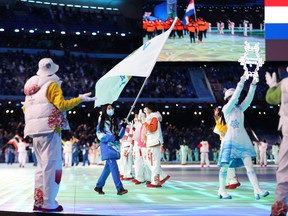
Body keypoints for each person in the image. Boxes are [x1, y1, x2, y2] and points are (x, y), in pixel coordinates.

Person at [22, 58, 95, 212]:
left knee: (41, 168)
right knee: (52, 167)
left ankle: (38, 201)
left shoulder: (30, 87)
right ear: (53, 70)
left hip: (34, 131)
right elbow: (62, 105)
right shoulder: (52, 85)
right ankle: (49, 203)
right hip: (50, 130)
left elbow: (25, 109)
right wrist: (80, 99)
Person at [217, 72, 269, 200]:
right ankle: (221, 189)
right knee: (225, 166)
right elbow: (235, 98)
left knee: (249, 166)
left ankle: (257, 189)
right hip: (230, 140)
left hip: (242, 140)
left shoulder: (239, 109)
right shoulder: (226, 108)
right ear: (229, 98)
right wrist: (241, 82)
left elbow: (249, 99)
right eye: (233, 96)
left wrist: (253, 84)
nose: (237, 98)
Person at [265, 70, 288, 216]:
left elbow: (271, 99)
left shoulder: (285, 84)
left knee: (284, 171)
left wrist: (273, 86)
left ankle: (279, 208)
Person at [94, 104, 128, 195]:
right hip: (107, 147)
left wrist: (123, 127)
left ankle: (99, 186)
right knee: (114, 167)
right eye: (109, 108)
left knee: (108, 168)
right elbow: (100, 135)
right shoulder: (102, 120)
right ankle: (119, 188)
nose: (111, 109)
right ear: (105, 109)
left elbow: (119, 135)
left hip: (115, 147)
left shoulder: (115, 120)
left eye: (112, 108)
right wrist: (112, 138)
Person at [143, 102, 170, 187]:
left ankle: (156, 181)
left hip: (154, 143)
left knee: (154, 163)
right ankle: (162, 177)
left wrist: (144, 122)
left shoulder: (154, 117)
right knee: (150, 162)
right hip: (152, 143)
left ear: (150, 109)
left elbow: (152, 129)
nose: (145, 109)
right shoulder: (151, 117)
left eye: (146, 107)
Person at [213, 107, 241, 189]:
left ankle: (233, 180)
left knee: (227, 162)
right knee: (225, 163)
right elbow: (219, 127)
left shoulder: (230, 120)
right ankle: (229, 180)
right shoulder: (223, 120)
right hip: (226, 142)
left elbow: (220, 128)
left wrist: (216, 116)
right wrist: (216, 116)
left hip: (229, 142)